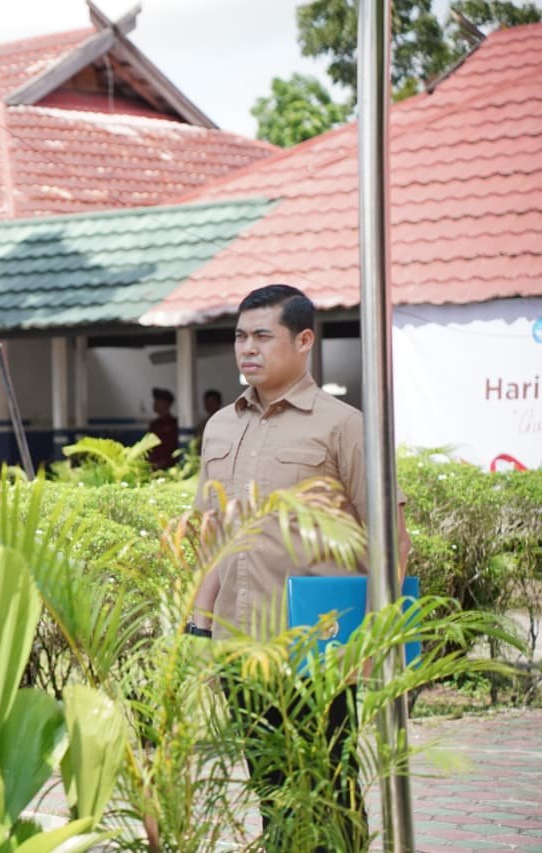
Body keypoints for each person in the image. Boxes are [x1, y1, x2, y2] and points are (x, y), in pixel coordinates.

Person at [189, 283, 410, 851]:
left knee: (328, 788)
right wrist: (200, 623)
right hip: (241, 643)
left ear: (304, 340)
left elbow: (391, 540)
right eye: (240, 336)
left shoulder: (345, 425)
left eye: (263, 335)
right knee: (269, 787)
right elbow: (213, 535)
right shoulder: (220, 426)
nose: (247, 349)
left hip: (319, 643)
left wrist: (374, 642)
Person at [147, 386, 179, 470]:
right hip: (153, 467)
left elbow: (176, 449)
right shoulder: (154, 424)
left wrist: (164, 463)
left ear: (166, 404)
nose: (154, 404)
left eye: (158, 401)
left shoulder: (174, 424)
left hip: (170, 468)